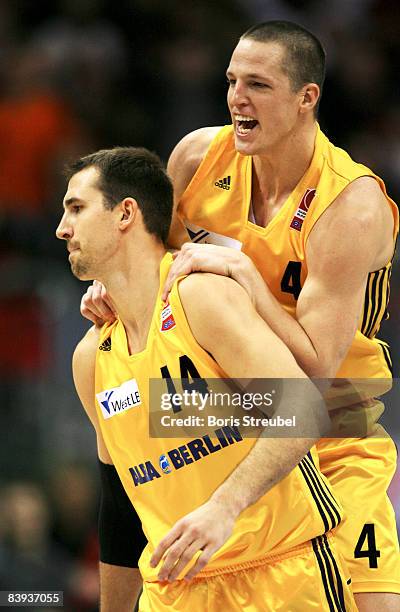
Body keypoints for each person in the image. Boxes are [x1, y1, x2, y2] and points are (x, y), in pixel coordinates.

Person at [81, 21, 400, 611]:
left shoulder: (350, 205)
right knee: (123, 424)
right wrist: (109, 282)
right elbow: (145, 256)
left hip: (331, 422)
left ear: (307, 99)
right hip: (229, 418)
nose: (236, 98)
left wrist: (247, 279)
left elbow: (312, 379)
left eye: (257, 84)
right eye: (231, 81)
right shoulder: (199, 156)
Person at [57, 146, 357, 611]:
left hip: (279, 574)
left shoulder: (200, 297)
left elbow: (304, 408)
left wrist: (224, 508)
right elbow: (119, 505)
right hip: (173, 595)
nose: (62, 228)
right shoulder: (91, 358)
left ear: (125, 214)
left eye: (76, 208)